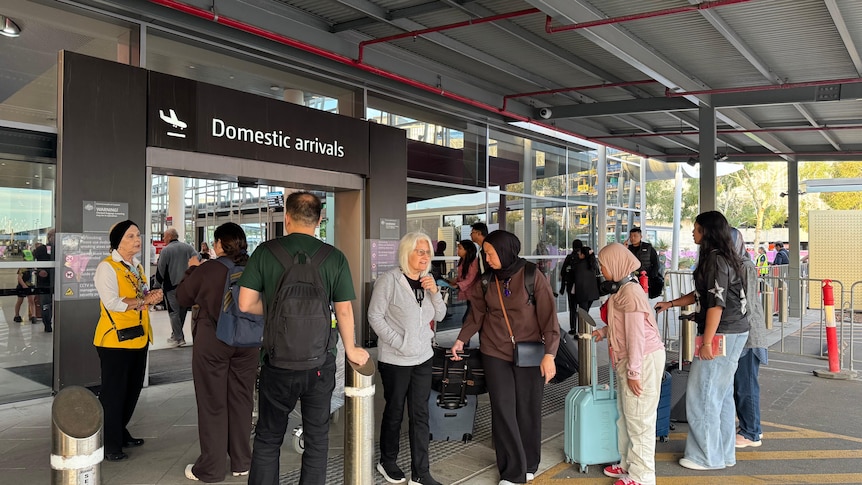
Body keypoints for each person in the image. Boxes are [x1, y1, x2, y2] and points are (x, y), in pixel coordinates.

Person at [237, 191, 369, 485]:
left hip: (277, 363)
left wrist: (275, 311)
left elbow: (245, 304)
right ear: (320, 219)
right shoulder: (334, 257)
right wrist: (351, 349)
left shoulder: (265, 252)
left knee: (269, 437)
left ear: (286, 218)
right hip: (319, 364)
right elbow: (344, 310)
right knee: (317, 438)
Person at [450, 230, 559, 485]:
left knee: (527, 408)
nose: (487, 259)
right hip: (494, 351)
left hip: (530, 352)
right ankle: (512, 472)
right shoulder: (487, 280)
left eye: (490, 254)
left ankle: (529, 462)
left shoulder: (531, 275)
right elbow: (477, 314)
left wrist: (550, 354)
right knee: (503, 408)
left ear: (505, 251)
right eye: (485, 254)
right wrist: (461, 339)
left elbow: (549, 318)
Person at [655, 211, 750, 471]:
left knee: (703, 394)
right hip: (733, 331)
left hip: (721, 333)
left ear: (707, 231)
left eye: (696, 228)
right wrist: (671, 303)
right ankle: (723, 454)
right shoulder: (726, 257)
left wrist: (707, 342)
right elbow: (703, 294)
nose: (693, 232)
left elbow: (716, 305)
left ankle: (705, 457)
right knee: (721, 395)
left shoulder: (715, 260)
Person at [176, 223, 259, 482]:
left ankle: (211, 468)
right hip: (248, 341)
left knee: (212, 402)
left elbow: (182, 297)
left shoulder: (209, 268)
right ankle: (242, 461)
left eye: (215, 242)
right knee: (242, 399)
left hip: (214, 341)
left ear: (220, 244)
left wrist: (192, 268)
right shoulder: (254, 267)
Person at [368, 231, 446, 485]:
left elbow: (440, 315)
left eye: (428, 252)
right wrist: (399, 342)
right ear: (406, 253)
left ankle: (421, 473)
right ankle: (387, 461)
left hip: (423, 357)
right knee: (395, 410)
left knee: (420, 414)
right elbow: (374, 316)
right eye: (420, 252)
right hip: (396, 360)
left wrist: (435, 292)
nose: (425, 257)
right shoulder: (389, 280)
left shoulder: (428, 280)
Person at [592, 243, 666, 485]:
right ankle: (627, 464)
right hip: (632, 358)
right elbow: (624, 325)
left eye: (603, 264)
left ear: (616, 264)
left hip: (642, 359)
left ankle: (643, 476)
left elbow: (636, 336)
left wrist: (634, 372)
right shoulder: (621, 290)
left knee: (640, 419)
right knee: (626, 416)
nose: (601, 269)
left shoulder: (630, 293)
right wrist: (604, 332)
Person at [93, 220, 163, 462]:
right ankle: (108, 443)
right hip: (115, 340)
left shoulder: (136, 266)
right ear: (117, 242)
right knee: (114, 393)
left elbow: (139, 296)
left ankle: (120, 432)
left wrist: (151, 296)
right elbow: (112, 302)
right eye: (130, 236)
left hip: (138, 337)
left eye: (138, 235)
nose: (137, 240)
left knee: (131, 390)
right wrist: (143, 301)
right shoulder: (107, 267)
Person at [730, 228, 767, 449]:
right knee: (741, 384)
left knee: (746, 386)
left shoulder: (745, 266)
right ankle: (751, 427)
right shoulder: (735, 265)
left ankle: (751, 432)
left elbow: (749, 303)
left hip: (748, 335)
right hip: (742, 332)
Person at [157, 227, 197, 347]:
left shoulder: (166, 250)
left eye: (164, 236)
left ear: (170, 237)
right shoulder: (189, 248)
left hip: (171, 286)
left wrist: (156, 285)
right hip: (187, 286)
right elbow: (197, 260)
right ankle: (176, 334)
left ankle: (179, 338)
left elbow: (161, 269)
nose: (163, 238)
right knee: (182, 311)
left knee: (173, 312)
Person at [559, 244, 600, 336]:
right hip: (592, 294)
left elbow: (571, 277)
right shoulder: (593, 264)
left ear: (583, 255)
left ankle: (581, 333)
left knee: (582, 315)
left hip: (582, 294)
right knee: (585, 313)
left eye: (580, 253)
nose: (578, 254)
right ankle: (582, 331)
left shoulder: (578, 266)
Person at [449, 239, 480, 321]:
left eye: (460, 248)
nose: (457, 250)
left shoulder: (473, 262)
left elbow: (471, 278)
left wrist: (458, 285)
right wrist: (453, 281)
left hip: (474, 294)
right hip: (469, 293)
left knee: (467, 319)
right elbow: (462, 277)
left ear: (467, 250)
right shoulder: (463, 261)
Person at [32, 228, 55, 333]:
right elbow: (31, 263)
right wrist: (38, 271)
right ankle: (47, 324)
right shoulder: (40, 250)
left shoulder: (61, 249)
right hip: (44, 283)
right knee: (45, 304)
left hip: (57, 281)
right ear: (49, 237)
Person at [627, 227, 660, 296]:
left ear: (641, 237)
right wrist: (624, 247)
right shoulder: (628, 249)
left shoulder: (648, 248)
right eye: (631, 236)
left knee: (644, 296)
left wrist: (652, 276)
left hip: (646, 278)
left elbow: (656, 263)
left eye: (635, 236)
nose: (632, 238)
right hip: (632, 278)